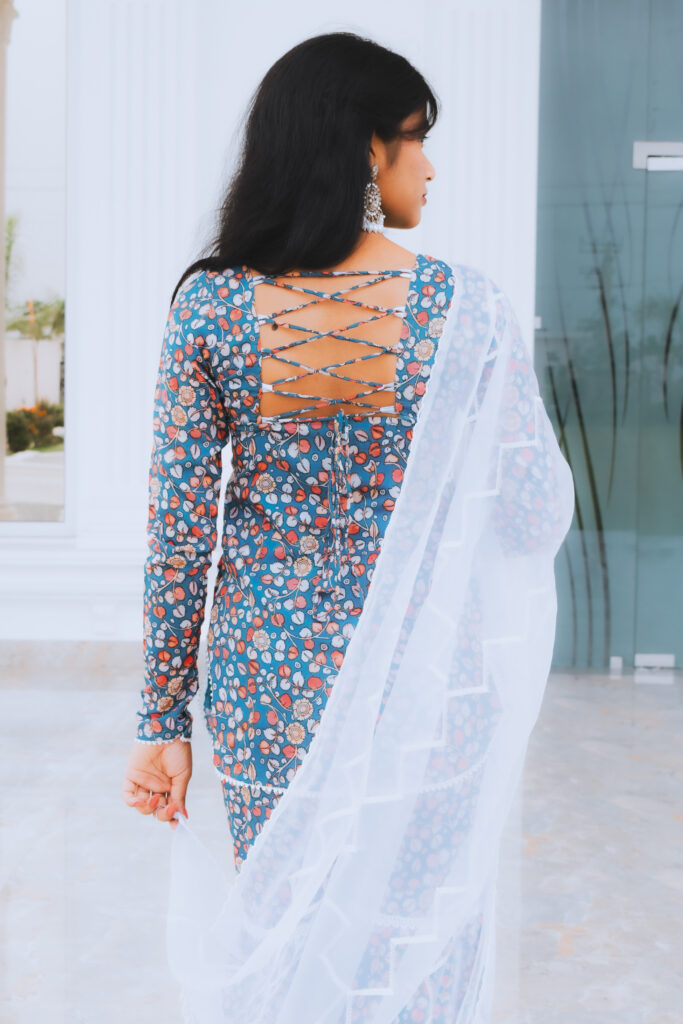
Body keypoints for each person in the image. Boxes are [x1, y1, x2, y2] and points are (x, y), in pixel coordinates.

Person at [121, 31, 574, 1024]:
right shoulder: (463, 309)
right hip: (427, 685)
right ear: (369, 148)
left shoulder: (209, 308)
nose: (430, 166)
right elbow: (533, 509)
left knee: (291, 953)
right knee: (412, 951)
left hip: (268, 688)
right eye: (418, 138)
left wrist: (162, 722)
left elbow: (179, 536)